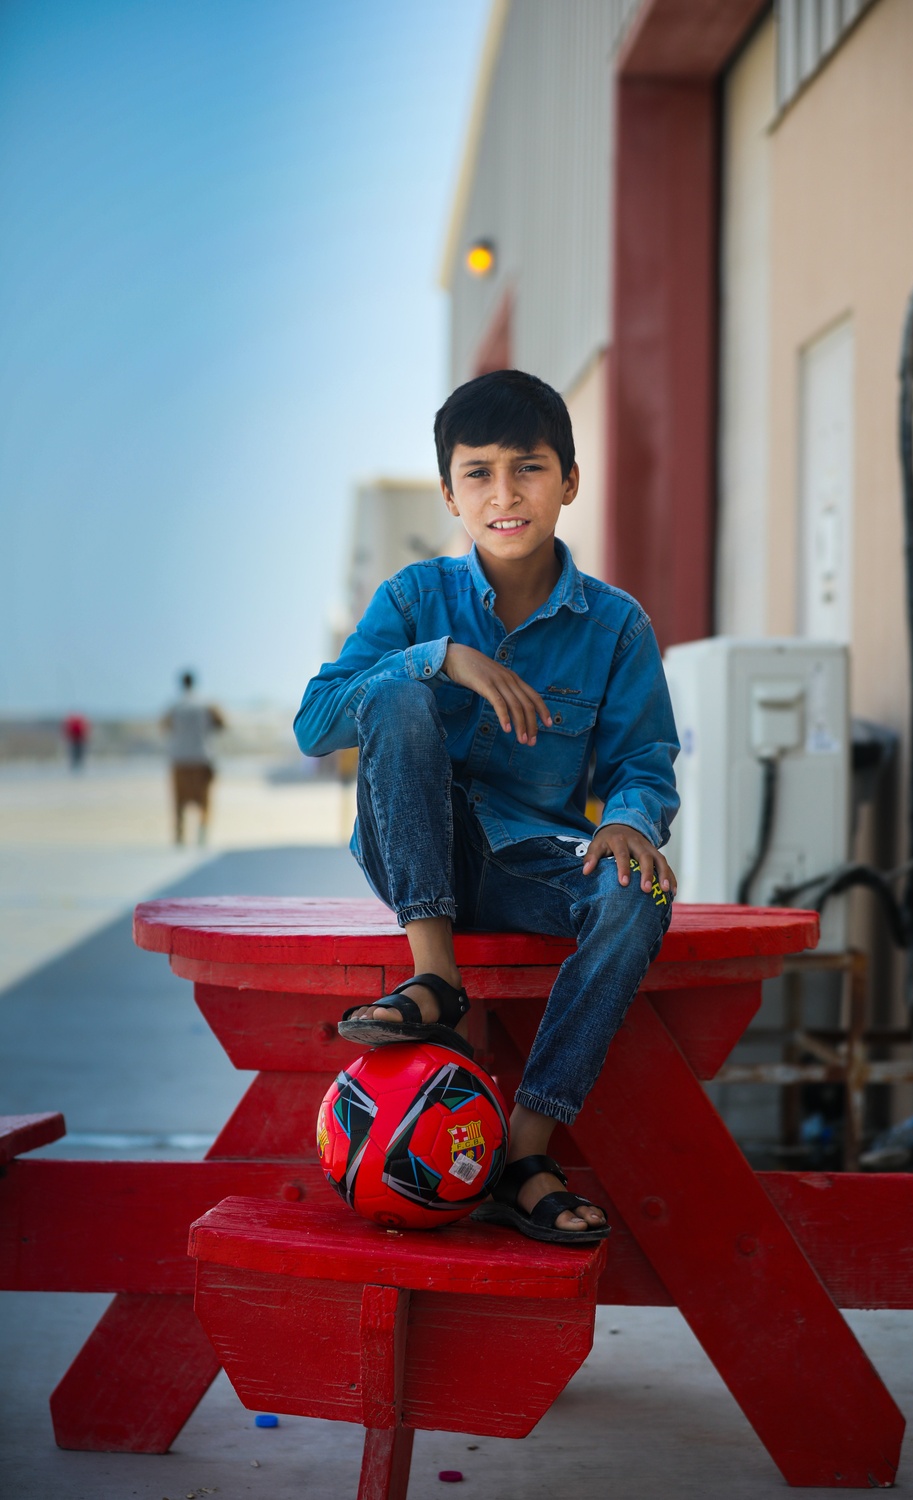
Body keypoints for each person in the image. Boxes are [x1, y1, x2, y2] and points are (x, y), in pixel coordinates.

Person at [294, 369, 679, 1243]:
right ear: (450, 494)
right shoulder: (412, 600)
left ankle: (525, 1151)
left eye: (529, 469)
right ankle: (435, 979)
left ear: (570, 481)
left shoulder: (616, 628)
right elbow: (316, 725)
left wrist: (627, 818)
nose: (504, 495)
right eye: (478, 474)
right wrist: (440, 660)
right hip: (411, 854)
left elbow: (644, 763)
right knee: (391, 694)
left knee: (641, 890)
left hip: (529, 864)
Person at [162, 671, 225, 845]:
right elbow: (222, 724)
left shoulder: (175, 706)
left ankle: (180, 835)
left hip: (179, 759)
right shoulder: (206, 704)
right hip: (202, 758)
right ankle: (202, 832)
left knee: (178, 801)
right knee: (204, 800)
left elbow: (164, 726)